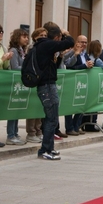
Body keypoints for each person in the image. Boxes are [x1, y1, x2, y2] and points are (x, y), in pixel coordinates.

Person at [34, 22, 74, 160]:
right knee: (52, 118)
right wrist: (65, 33)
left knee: (51, 117)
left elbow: (52, 68)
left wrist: (60, 56)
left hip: (48, 84)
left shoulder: (44, 47)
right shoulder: (46, 45)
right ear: (56, 36)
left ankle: (48, 148)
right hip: (46, 86)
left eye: (45, 34)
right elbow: (70, 42)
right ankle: (45, 149)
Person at [64, 35, 92, 135]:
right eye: (81, 42)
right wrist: (84, 66)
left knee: (80, 105)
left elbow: (88, 64)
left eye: (85, 42)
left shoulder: (85, 54)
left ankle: (76, 126)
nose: (83, 44)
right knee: (70, 106)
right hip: (72, 82)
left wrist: (90, 64)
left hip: (82, 83)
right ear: (77, 42)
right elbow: (70, 67)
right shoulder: (71, 53)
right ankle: (69, 128)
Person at [6, 29, 29, 145]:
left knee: (17, 110)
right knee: (13, 110)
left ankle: (15, 133)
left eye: (27, 37)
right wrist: (27, 69)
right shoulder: (13, 50)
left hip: (20, 84)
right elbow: (15, 67)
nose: (26, 39)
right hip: (15, 84)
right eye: (24, 36)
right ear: (17, 37)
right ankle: (10, 135)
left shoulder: (22, 51)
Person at [25, 28, 47, 143]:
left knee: (40, 107)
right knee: (32, 107)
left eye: (45, 35)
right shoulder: (31, 48)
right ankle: (31, 132)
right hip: (33, 79)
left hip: (42, 80)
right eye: (41, 35)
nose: (43, 37)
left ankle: (39, 131)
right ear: (35, 37)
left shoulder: (46, 47)